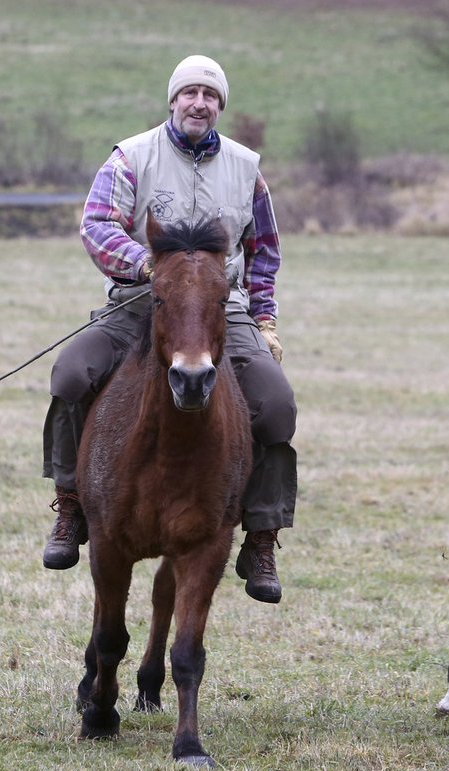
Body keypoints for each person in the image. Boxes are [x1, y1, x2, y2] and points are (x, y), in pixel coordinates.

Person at [40, 55, 296, 604]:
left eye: (210, 95)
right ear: (173, 100)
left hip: (219, 312)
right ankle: (71, 506)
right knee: (69, 375)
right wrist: (151, 267)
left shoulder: (246, 167)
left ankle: (261, 534)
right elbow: (97, 225)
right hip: (141, 302)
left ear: (220, 106)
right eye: (190, 93)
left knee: (276, 405)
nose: (199, 103)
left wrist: (265, 316)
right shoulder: (132, 156)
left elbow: (264, 250)